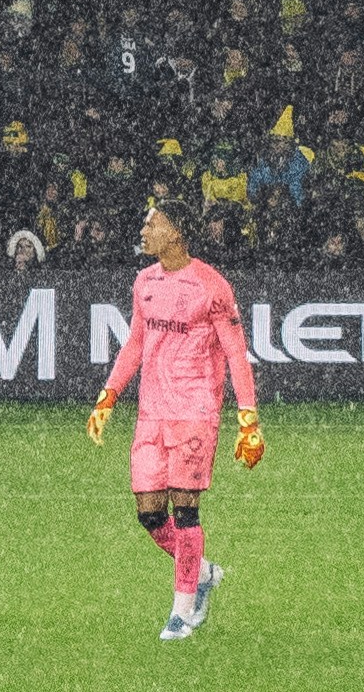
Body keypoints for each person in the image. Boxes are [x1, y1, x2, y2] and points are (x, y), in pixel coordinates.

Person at [86, 190, 262, 641]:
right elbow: (136, 345)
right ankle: (200, 572)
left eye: (152, 224)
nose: (144, 231)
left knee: (186, 510)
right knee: (149, 514)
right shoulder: (144, 282)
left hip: (195, 413)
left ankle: (183, 612)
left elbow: (237, 355)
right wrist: (108, 397)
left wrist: (248, 420)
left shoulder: (212, 287)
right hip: (151, 415)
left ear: (176, 232)